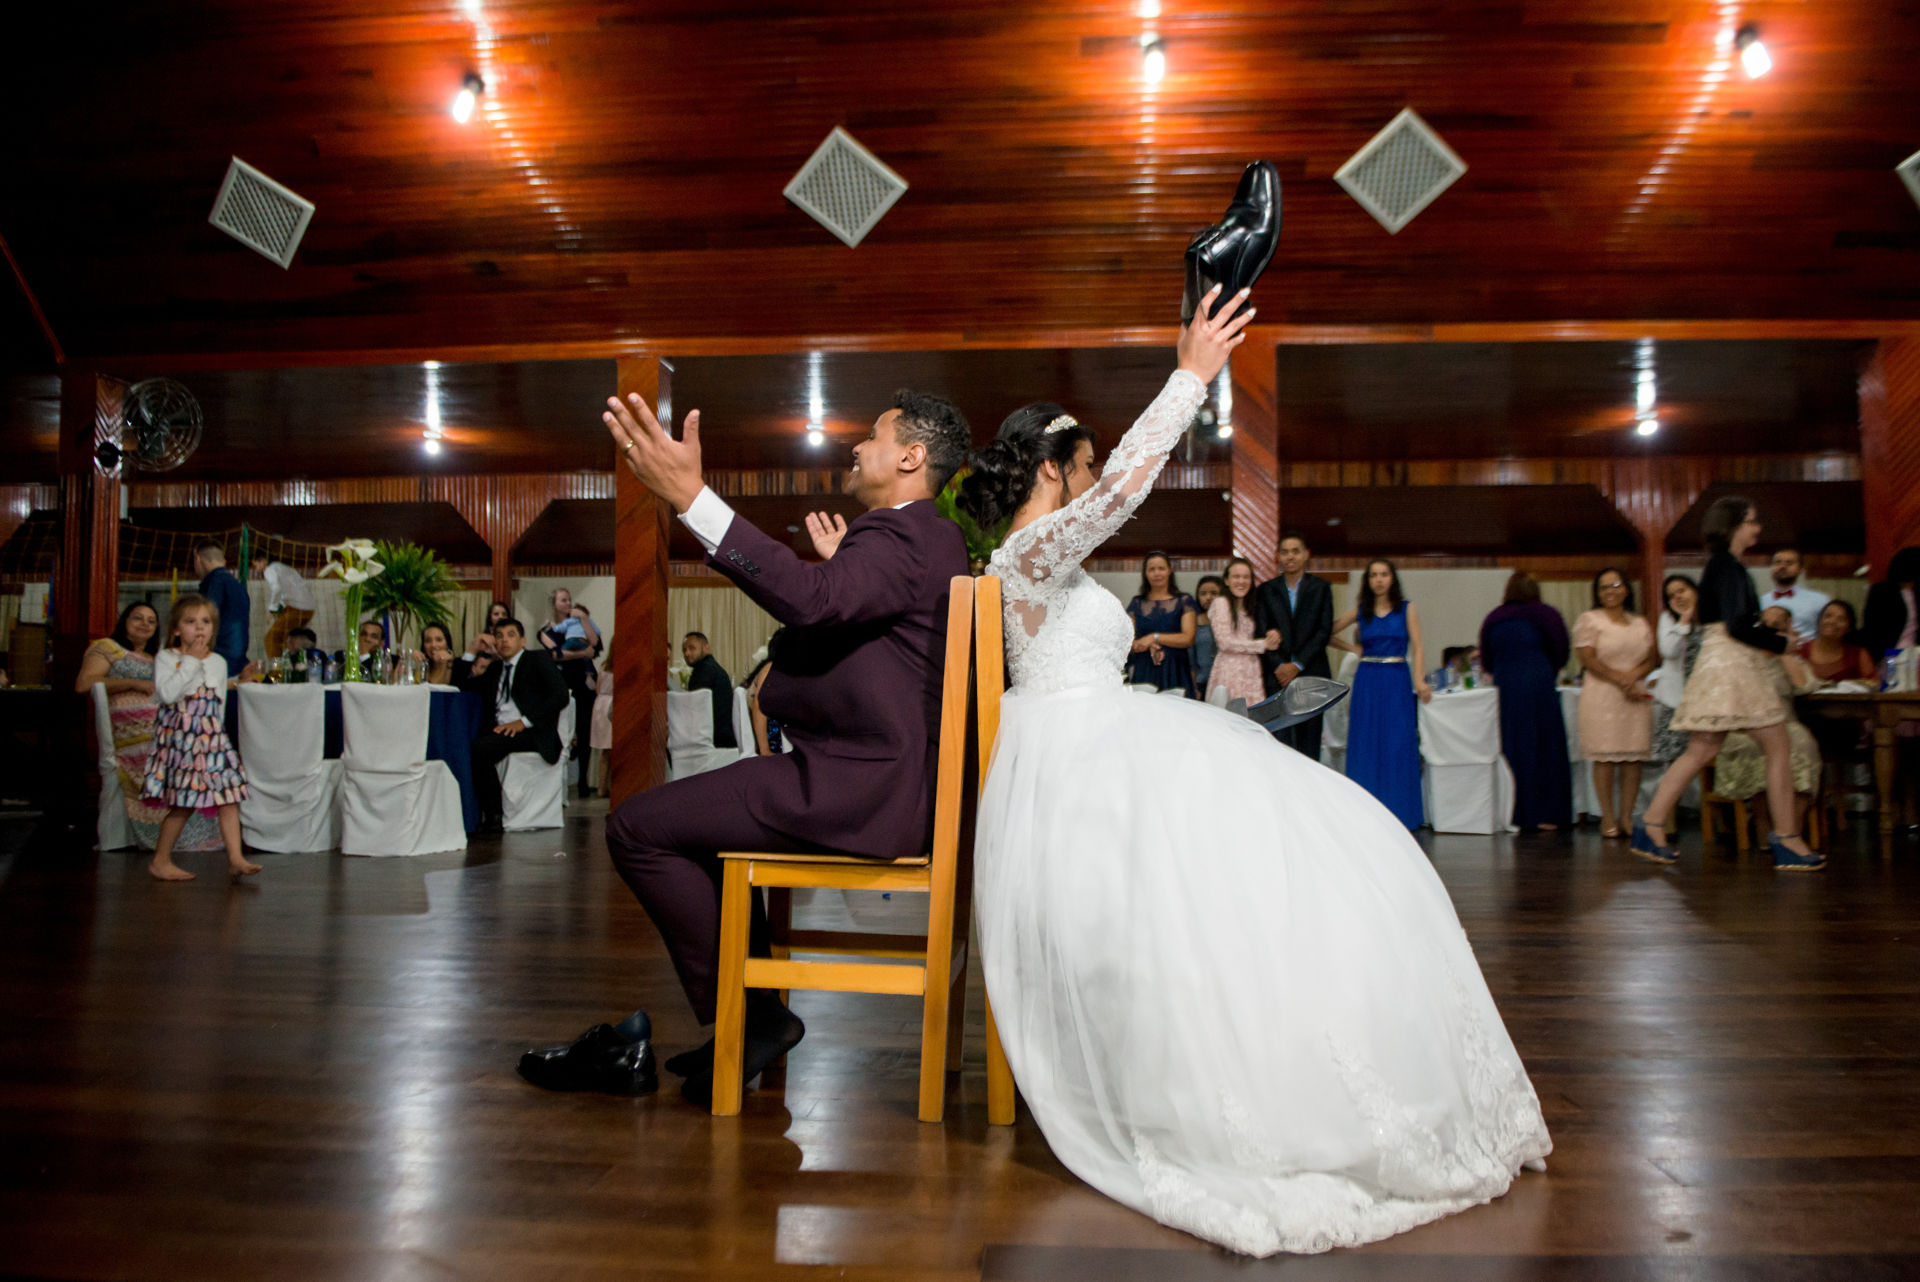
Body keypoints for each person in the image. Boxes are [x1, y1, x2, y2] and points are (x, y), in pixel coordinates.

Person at [956, 285, 1547, 1256]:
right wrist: (1190, 374)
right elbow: (1121, 496)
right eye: (1085, 464)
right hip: (1078, 758)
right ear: (1055, 468)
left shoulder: (1036, 564)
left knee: (1297, 822)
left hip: (1097, 735)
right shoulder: (1026, 551)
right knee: (1261, 826)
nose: (1093, 477)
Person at [523, 382, 971, 1107]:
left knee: (636, 827)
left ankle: (755, 1016)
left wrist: (693, 497)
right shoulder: (929, 538)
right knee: (693, 825)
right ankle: (752, 1015)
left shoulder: (902, 534)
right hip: (885, 784)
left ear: (912, 456)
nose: (856, 445)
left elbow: (813, 602)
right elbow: (843, 615)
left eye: (874, 435)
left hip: (855, 790)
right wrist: (833, 578)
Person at [1633, 495, 1825, 870]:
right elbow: (1738, 626)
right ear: (1734, 525)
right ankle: (1786, 837)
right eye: (1752, 521)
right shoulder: (1727, 567)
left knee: (1703, 749)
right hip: (1732, 662)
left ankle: (1651, 823)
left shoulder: (1722, 566)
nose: (1757, 528)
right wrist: (1779, 641)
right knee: (1777, 744)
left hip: (1722, 660)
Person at [76, 603, 220, 853]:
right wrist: (133, 683)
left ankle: (188, 834)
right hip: (131, 729)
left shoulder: (158, 659)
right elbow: (84, 683)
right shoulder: (107, 648)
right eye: (138, 618)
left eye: (151, 621)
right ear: (124, 621)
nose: (145, 624)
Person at [141, 594, 259, 881]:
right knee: (183, 802)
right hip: (182, 740)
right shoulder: (168, 658)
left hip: (212, 741)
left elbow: (217, 704)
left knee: (228, 797)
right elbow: (168, 694)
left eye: (205, 622)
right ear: (177, 629)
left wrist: (218, 740)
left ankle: (236, 858)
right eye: (191, 622)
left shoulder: (218, 662)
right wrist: (190, 662)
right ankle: (160, 860)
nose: (199, 628)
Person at [1331, 559, 1431, 829]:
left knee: (1397, 740)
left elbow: (1419, 647)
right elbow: (1327, 632)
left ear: (1392, 578)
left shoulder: (1407, 609)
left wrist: (1420, 680)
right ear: (1368, 580)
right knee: (1366, 739)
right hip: (1368, 679)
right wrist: (1352, 648)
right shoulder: (1362, 610)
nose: (1379, 580)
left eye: (1384, 574)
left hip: (1397, 678)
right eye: (1373, 575)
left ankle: (1401, 811)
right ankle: (1365, 812)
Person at [1712, 606, 1824, 835]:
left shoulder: (1790, 660)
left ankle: (1792, 828)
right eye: (1766, 625)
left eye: (1778, 624)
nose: (1771, 629)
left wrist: (1785, 651)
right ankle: (1764, 827)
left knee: (1803, 743)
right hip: (1745, 728)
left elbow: (1805, 686)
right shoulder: (1742, 659)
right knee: (1759, 749)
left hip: (1785, 723)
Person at [1479, 572, 1572, 832]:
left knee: (1514, 744)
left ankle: (1517, 812)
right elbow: (1561, 649)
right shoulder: (1546, 614)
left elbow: (1486, 657)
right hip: (1539, 680)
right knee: (1546, 745)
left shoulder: (1494, 617)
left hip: (1507, 683)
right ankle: (1549, 813)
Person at [457, 618, 570, 833]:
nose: (504, 640)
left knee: (479, 749)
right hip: (501, 731)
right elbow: (464, 685)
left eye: (511, 635)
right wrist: (471, 650)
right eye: (499, 636)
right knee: (468, 745)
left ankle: (494, 814)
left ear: (522, 640)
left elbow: (560, 696)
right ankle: (481, 811)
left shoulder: (536, 659)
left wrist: (524, 722)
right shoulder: (495, 668)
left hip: (533, 732)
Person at [1572, 568, 1656, 840]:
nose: (1611, 591)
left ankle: (1627, 817)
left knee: (1633, 759)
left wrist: (1634, 676)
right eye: (1604, 587)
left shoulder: (1640, 621)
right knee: (1605, 758)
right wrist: (1620, 679)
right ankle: (1607, 816)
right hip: (1602, 692)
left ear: (1627, 589)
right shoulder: (1590, 619)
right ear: (1597, 593)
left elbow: (1652, 659)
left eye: (1616, 585)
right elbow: (1587, 658)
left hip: (1634, 692)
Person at [1253, 531, 1335, 760]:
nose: (1290, 556)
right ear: (1278, 556)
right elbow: (1260, 631)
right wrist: (1279, 665)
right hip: (1276, 676)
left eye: (1295, 551)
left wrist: (1297, 665)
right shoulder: (1266, 590)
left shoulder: (1321, 588)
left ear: (1306, 555)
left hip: (1311, 674)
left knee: (1309, 744)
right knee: (1279, 744)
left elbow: (1323, 631)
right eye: (1285, 552)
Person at [540, 590, 602, 798]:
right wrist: (580, 653)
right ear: (555, 604)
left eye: (569, 599)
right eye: (563, 600)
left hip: (584, 684)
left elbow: (594, 646)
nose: (568, 603)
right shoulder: (549, 629)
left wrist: (584, 618)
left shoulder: (581, 622)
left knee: (584, 730)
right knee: (561, 729)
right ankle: (558, 781)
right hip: (560, 682)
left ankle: (583, 780)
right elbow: (555, 654)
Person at [1124, 552, 1197, 693]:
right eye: (1151, 569)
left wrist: (1154, 638)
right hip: (1144, 668)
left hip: (1176, 669)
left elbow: (1188, 638)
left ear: (1169, 570)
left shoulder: (1184, 601)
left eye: (1161, 568)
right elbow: (1127, 641)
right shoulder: (1136, 603)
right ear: (1145, 573)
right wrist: (1146, 644)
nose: (1157, 573)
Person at [1203, 558, 1273, 704]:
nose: (1241, 581)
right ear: (1227, 581)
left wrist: (1273, 636)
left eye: (1246, 577)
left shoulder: (1251, 607)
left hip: (1251, 671)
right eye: (1236, 577)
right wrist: (1261, 645)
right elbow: (1224, 643)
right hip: (1229, 671)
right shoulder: (1221, 603)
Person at [1649, 575, 1698, 769]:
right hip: (1676, 699)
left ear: (1694, 590)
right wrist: (1684, 621)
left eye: (1682, 590)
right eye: (1671, 595)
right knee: (1675, 759)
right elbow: (1668, 651)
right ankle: (1674, 800)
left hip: (1706, 696)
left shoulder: (1710, 617)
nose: (1678, 597)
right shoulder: (1668, 618)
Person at [193, 541, 250, 672]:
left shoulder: (213, 584)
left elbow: (205, 619)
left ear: (198, 559)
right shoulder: (238, 586)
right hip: (238, 661)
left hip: (216, 659)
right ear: (223, 561)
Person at [251, 553, 316, 658]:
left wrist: (272, 610)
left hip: (298, 607)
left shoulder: (270, 570)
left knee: (271, 638)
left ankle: (276, 669)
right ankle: (292, 665)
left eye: (257, 565)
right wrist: (278, 609)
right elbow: (286, 593)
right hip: (308, 608)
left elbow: (277, 589)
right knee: (287, 640)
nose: (256, 569)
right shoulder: (282, 567)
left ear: (264, 561)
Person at [680, 632, 737, 750]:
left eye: (692, 648)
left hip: (714, 742)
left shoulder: (704, 671)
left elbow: (694, 711)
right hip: (723, 739)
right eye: (684, 650)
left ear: (706, 647)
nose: (687, 653)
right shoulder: (710, 667)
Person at [1863, 546, 1920, 664]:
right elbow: (1872, 627)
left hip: (1915, 655)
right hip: (1889, 656)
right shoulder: (1881, 591)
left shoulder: (1917, 593)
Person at [1799, 600, 1876, 684]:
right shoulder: (1801, 652)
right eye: (1828, 616)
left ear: (1848, 628)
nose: (1832, 622)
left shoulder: (1858, 655)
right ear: (1819, 621)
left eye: (1841, 619)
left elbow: (1873, 684)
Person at [1765, 546, 1829, 643]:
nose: (1782, 566)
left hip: (1806, 655)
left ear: (1801, 569)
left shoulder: (1820, 600)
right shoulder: (1759, 600)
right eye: (1778, 562)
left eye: (1789, 563)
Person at [1191, 573, 1225, 692]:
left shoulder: (1231, 620)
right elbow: (1190, 659)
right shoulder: (1193, 622)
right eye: (1203, 593)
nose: (1208, 597)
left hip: (1227, 681)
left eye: (1214, 593)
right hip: (1202, 682)